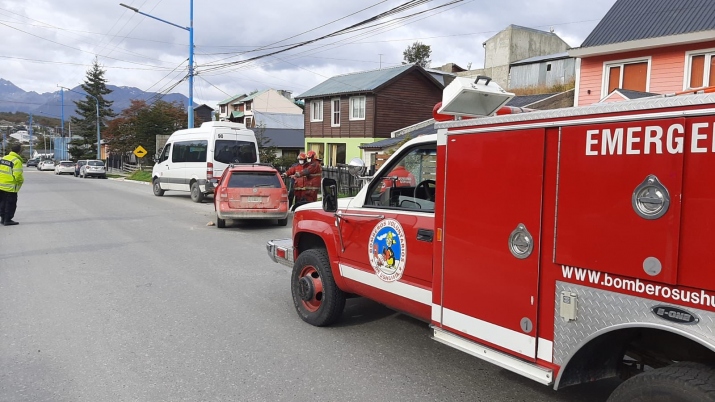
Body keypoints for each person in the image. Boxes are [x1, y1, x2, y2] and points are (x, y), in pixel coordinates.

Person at [0, 144, 25, 226]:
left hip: (1, 185)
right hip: (10, 186)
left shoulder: (4, 158)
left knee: (2, 202)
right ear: (19, 152)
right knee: (10, 203)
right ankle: (7, 220)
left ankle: (3, 219)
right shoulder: (16, 161)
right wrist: (21, 181)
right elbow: (17, 175)